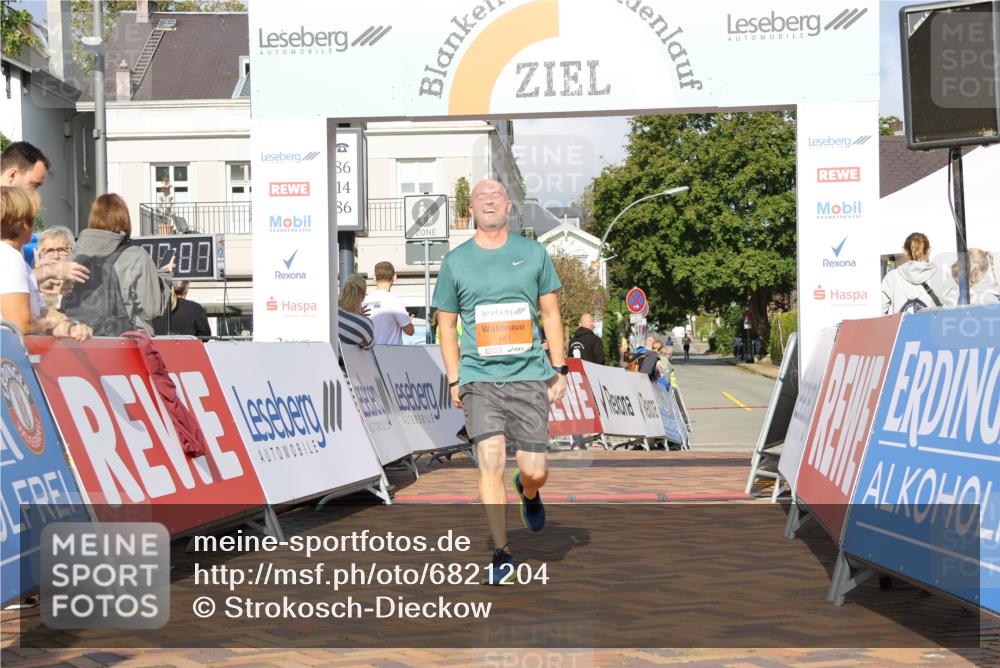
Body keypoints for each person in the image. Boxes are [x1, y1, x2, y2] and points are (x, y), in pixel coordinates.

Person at [432, 178, 567, 585]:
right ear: (470, 208)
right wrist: (455, 378)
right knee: (488, 461)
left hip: (527, 375)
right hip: (479, 378)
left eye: (496, 197)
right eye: (481, 198)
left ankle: (527, 490)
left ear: (509, 205)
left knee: (535, 468)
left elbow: (550, 314)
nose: (489, 202)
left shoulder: (533, 253)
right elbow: (446, 325)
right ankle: (501, 554)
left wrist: (559, 369)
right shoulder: (456, 262)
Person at [61, 194, 174, 335]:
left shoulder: (73, 256)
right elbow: (152, 309)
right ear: (124, 220)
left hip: (80, 343)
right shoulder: (137, 256)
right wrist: (165, 277)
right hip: (125, 344)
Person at [1, 187, 91, 341]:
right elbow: (21, 325)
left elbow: (41, 311)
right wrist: (52, 323)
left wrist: (69, 327)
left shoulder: (16, 258)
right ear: (25, 224)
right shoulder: (9, 258)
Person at [881, 232, 950, 314]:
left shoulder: (891, 278)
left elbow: (878, 312)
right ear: (929, 250)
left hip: (903, 326)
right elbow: (955, 312)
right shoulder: (943, 277)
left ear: (905, 252)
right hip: (934, 326)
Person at [34, 226, 89, 309]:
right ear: (40, 254)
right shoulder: (32, 284)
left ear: (72, 252)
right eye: (49, 251)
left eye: (62, 250)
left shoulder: (80, 281)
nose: (56, 256)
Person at [362, 261, 414, 345]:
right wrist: (407, 321)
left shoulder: (364, 300)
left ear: (374, 277)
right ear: (394, 277)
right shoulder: (394, 300)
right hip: (391, 354)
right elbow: (410, 331)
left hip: (369, 353)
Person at [337, 273, 375, 350]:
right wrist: (358, 317)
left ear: (344, 290)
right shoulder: (365, 324)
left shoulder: (329, 311)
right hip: (344, 362)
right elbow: (369, 347)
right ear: (363, 296)